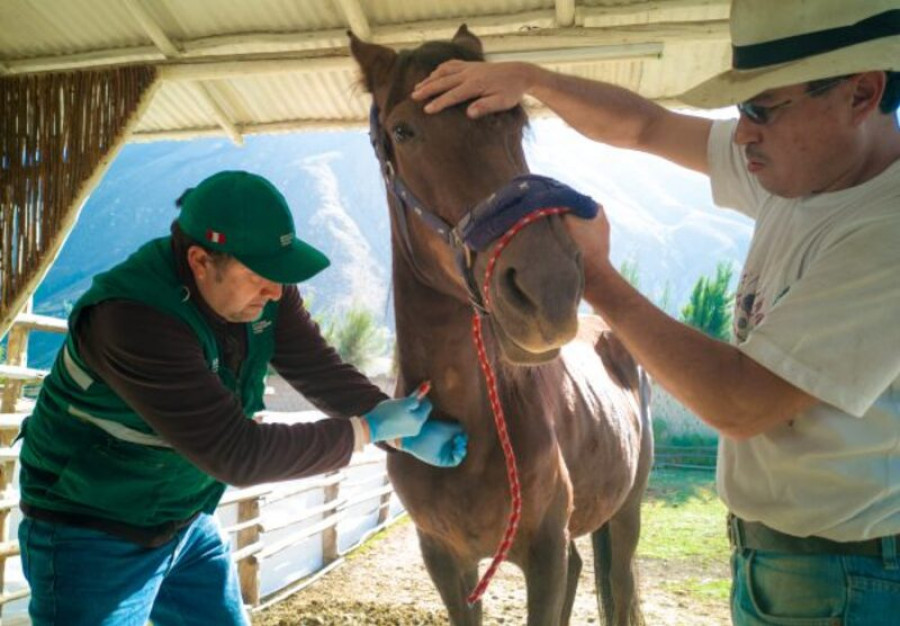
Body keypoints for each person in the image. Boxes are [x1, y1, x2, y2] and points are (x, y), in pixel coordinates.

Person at [412, 0, 900, 623]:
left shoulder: (885, 231)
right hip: (787, 562)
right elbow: (645, 127)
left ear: (861, 94)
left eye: (760, 107)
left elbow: (742, 402)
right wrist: (531, 80)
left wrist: (598, 280)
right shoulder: (802, 174)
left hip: (849, 575)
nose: (742, 131)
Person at [15, 170, 468, 625]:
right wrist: (368, 431)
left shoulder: (266, 289)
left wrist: (403, 434)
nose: (275, 291)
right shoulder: (133, 319)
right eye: (258, 276)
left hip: (184, 516)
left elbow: (316, 367)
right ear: (199, 260)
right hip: (89, 528)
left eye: (279, 275)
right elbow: (238, 454)